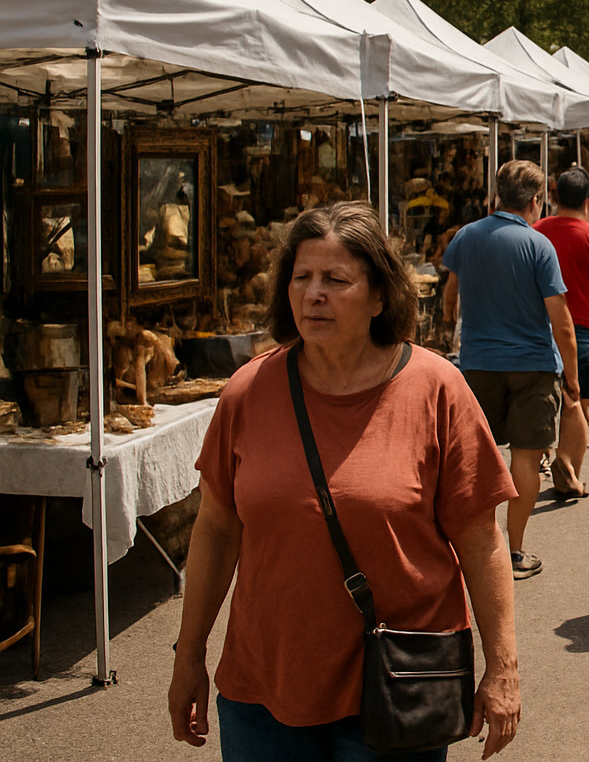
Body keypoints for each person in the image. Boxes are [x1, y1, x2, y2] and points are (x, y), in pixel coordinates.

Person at [169, 202, 520, 760]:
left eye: (336, 280)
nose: (314, 294)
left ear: (380, 296)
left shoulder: (437, 389)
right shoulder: (248, 391)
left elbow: (482, 541)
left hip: (397, 687)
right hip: (265, 691)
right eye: (302, 278)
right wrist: (189, 654)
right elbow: (215, 530)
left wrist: (503, 669)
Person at [441, 161, 582, 579]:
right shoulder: (538, 246)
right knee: (526, 456)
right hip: (533, 366)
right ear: (537, 200)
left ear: (498, 195)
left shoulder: (466, 236)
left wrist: (457, 322)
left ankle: (475, 544)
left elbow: (451, 295)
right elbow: (562, 322)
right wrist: (572, 379)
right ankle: (514, 550)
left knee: (478, 459)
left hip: (479, 364)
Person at [535, 167, 589, 443]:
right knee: (578, 404)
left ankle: (545, 451)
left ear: (554, 198)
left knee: (544, 402)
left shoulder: (536, 231)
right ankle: (570, 459)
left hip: (541, 328)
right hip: (583, 331)